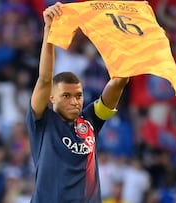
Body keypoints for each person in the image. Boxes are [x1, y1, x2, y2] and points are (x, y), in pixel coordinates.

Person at [26, 2, 129, 203]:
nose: (74, 101)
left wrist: (123, 55)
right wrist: (49, 29)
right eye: (66, 96)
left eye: (78, 95)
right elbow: (45, 78)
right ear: (52, 97)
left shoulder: (90, 119)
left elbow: (118, 82)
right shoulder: (42, 120)